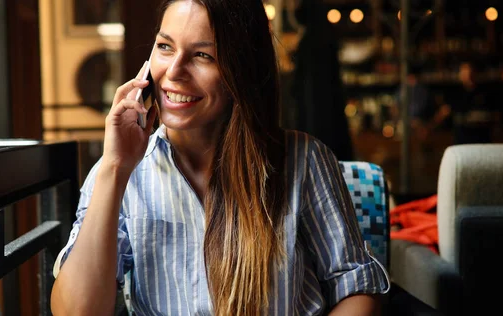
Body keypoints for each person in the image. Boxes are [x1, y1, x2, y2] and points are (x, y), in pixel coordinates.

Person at [50, 0, 389, 315]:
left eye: (202, 56)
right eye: (165, 47)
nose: (174, 71)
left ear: (241, 71)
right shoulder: (119, 170)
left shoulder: (304, 160)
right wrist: (114, 169)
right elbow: (76, 311)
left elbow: (356, 282)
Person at [290, 0, 355, 161]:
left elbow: (308, 90)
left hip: (315, 119)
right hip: (329, 116)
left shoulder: (309, 42)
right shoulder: (326, 37)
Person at [436, 60, 499, 145]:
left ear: (475, 73)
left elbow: (495, 114)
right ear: (460, 75)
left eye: (470, 72)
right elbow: (444, 112)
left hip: (482, 139)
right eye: (465, 73)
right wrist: (430, 127)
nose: (468, 76)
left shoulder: (485, 92)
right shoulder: (454, 93)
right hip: (462, 139)